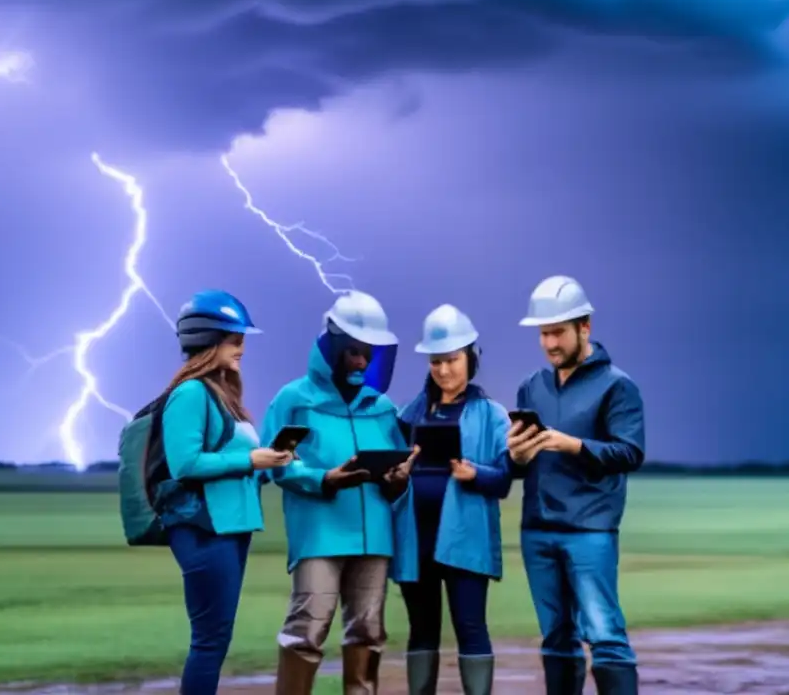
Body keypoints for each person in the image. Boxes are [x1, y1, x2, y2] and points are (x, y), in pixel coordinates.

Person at [262, 290, 417, 695]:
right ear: (330, 345)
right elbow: (275, 462)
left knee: (368, 632)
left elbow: (395, 472)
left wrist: (399, 479)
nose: (362, 362)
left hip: (374, 539)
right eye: (353, 352)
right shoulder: (293, 401)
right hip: (320, 537)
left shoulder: (382, 408)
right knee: (306, 631)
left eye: (368, 354)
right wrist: (324, 479)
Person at [505, 276, 646, 695]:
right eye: (543, 333)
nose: (549, 343)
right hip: (538, 529)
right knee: (556, 638)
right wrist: (515, 458)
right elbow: (517, 465)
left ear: (584, 327)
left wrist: (575, 445)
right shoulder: (532, 386)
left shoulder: (618, 386)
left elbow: (629, 453)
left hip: (590, 530)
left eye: (557, 332)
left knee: (605, 637)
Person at [151, 290, 294, 695]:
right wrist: (252, 460)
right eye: (235, 339)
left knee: (216, 638)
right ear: (208, 340)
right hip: (203, 530)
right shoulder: (191, 394)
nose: (242, 349)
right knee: (210, 641)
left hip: (230, 527)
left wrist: (277, 464)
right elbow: (186, 464)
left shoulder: (222, 395)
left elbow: (241, 464)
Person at [392, 304, 513, 695]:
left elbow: (505, 479)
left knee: (470, 627)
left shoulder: (492, 415)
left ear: (471, 358)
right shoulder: (409, 415)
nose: (443, 370)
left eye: (452, 360)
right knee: (421, 630)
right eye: (436, 362)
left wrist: (476, 474)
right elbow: (391, 475)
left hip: (466, 541)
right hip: (418, 540)